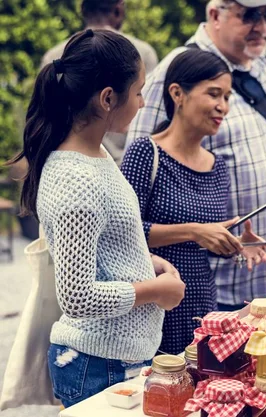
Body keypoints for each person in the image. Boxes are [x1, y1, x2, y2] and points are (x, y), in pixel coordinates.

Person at [7, 29, 185, 407]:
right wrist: (157, 291)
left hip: (115, 359)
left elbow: (103, 245)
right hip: (98, 364)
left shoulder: (96, 154)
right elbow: (77, 296)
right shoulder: (76, 180)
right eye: (138, 91)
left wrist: (145, 262)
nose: (141, 102)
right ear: (108, 98)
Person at [126, 0, 266, 311]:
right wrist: (195, 234)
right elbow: (135, 191)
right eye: (248, 14)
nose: (262, 25)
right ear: (214, 14)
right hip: (208, 287)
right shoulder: (176, 71)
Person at [121, 48, 266, 354]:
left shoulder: (217, 166)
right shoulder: (145, 154)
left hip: (202, 309)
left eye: (227, 97)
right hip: (154, 306)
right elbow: (124, 232)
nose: (223, 107)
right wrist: (195, 230)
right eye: (214, 94)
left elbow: (205, 243)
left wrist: (234, 244)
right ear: (178, 94)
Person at [41, 0, 159, 166]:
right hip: (126, 164)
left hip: (67, 160)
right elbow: (148, 120)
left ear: (83, 10)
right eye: (138, 93)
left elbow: (47, 117)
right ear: (118, 10)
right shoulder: (140, 53)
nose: (141, 103)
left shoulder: (54, 56)